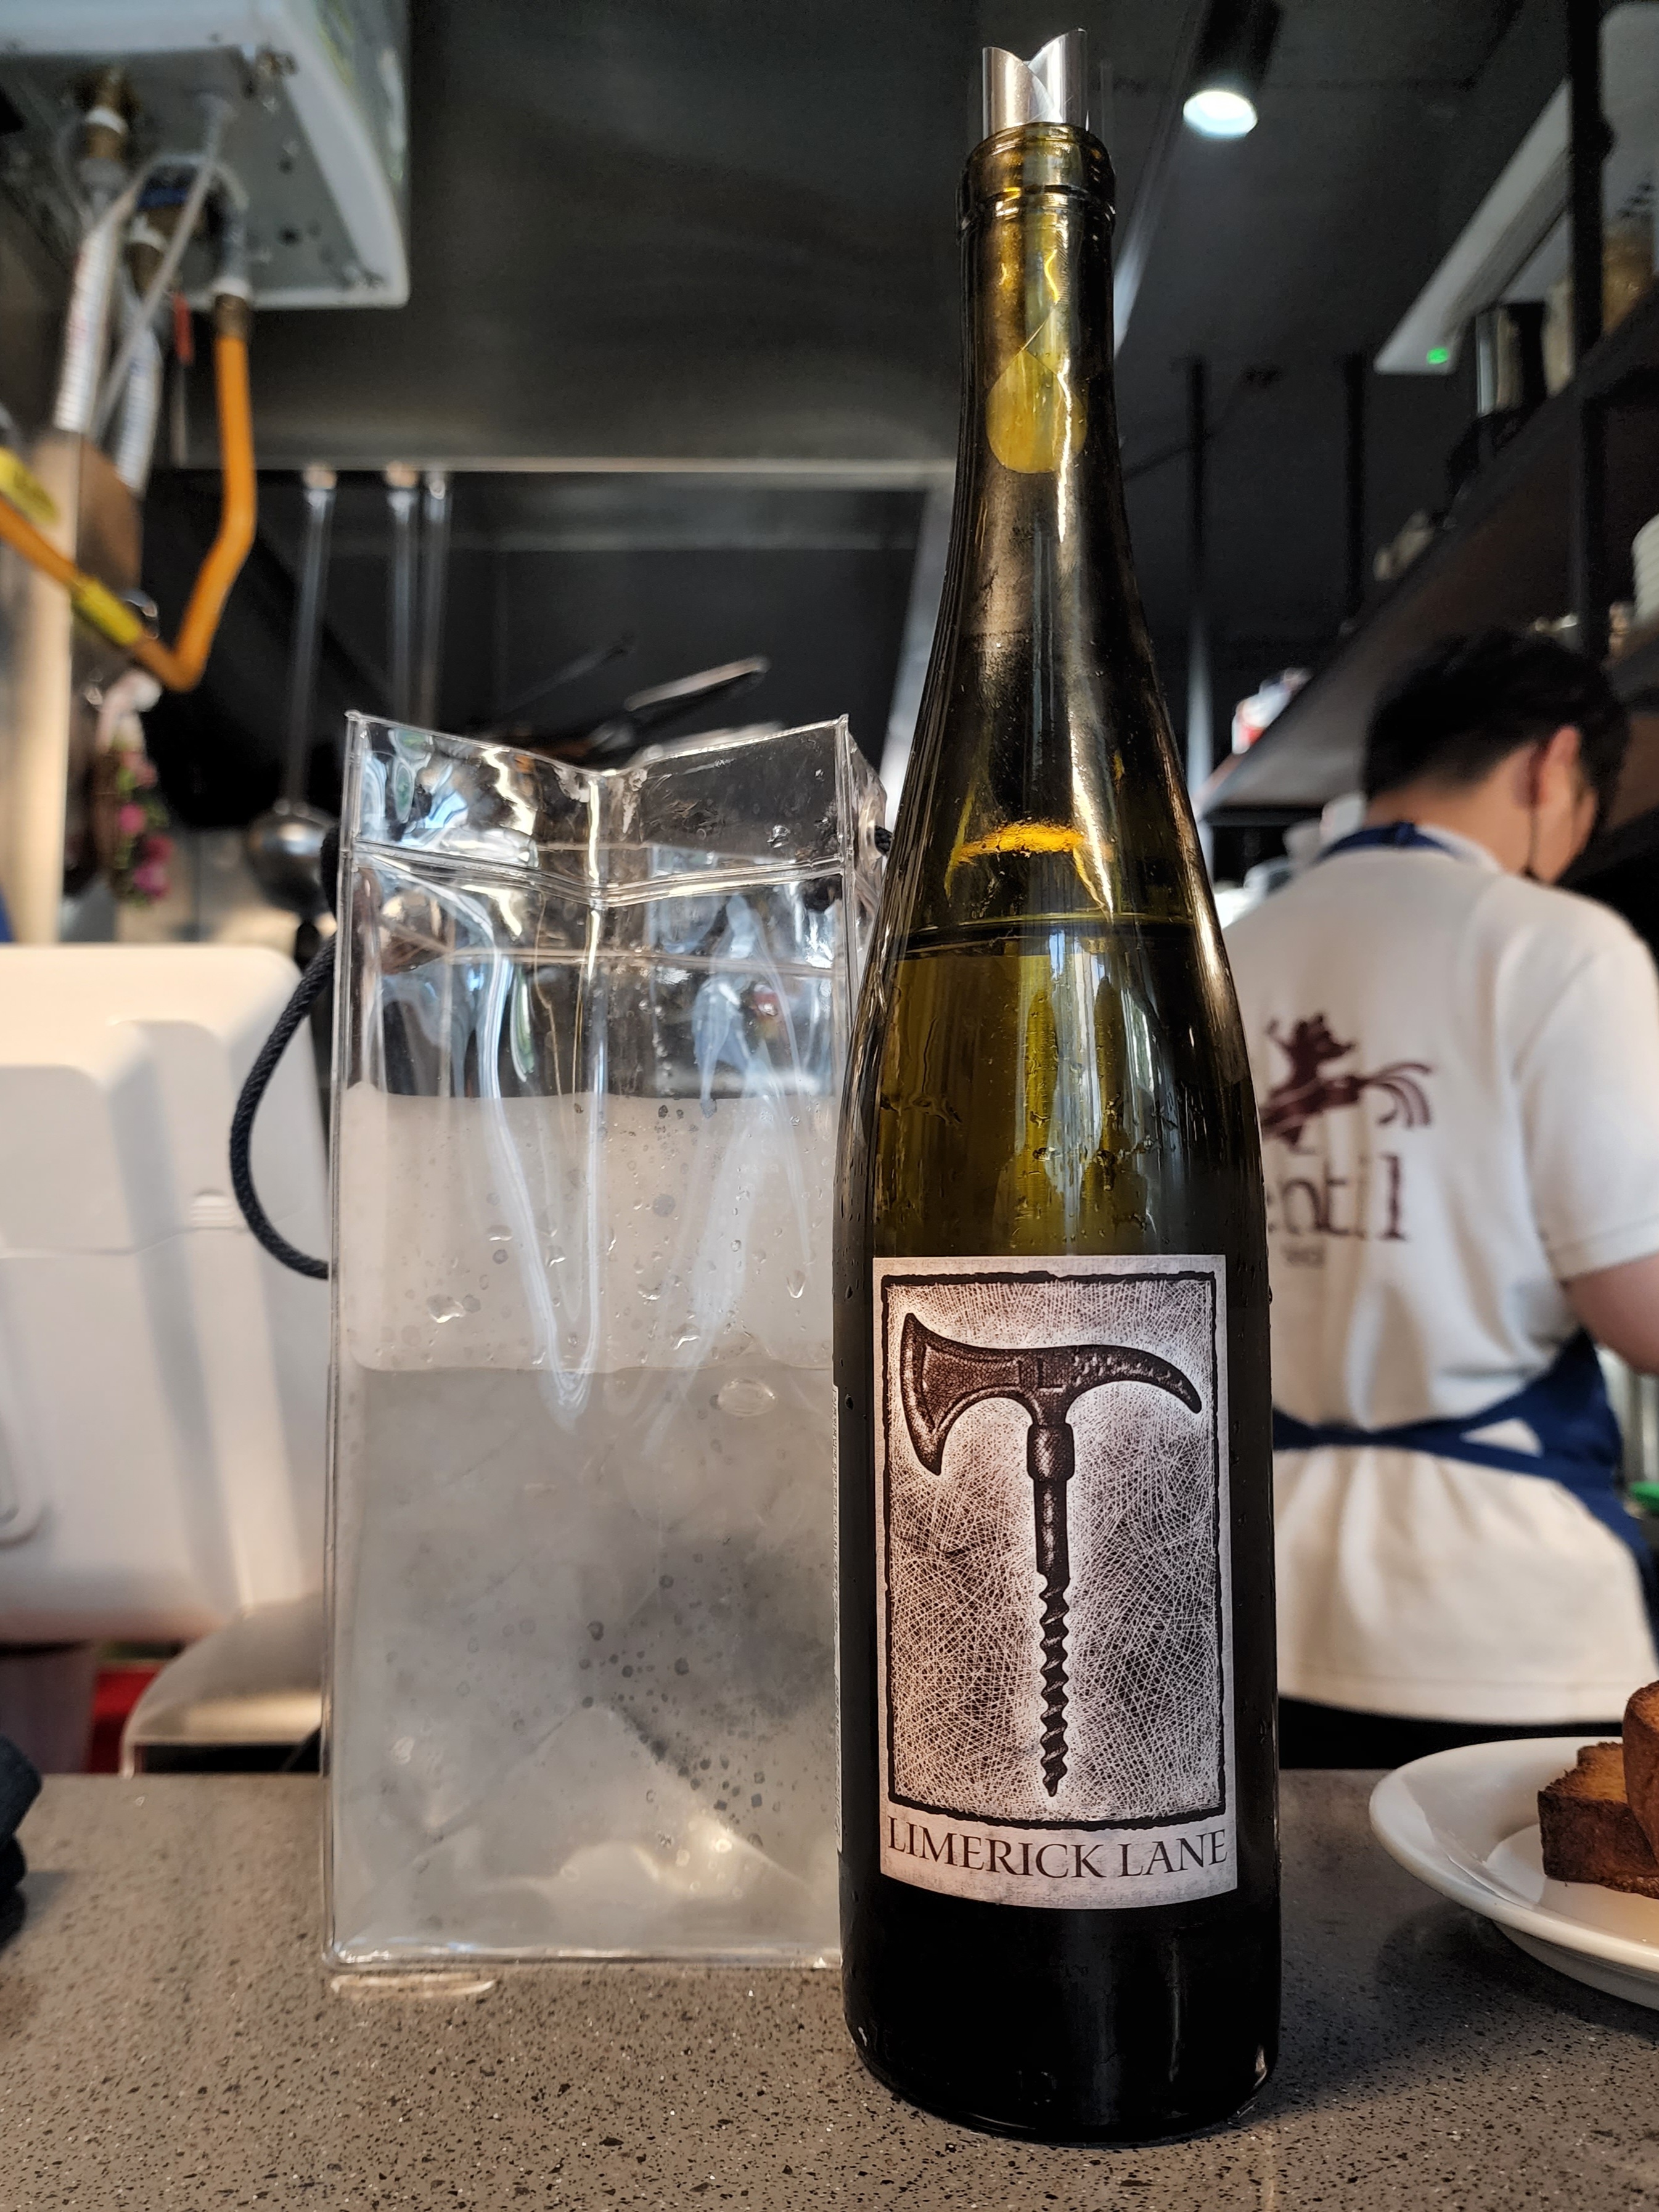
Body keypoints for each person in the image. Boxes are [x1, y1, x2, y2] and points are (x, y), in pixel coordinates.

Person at [1225, 628, 1659, 1768]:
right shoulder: (1562, 949)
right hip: (1499, 1614)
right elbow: (1641, 1310)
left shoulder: (1225, 955)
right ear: (1552, 765)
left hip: (1237, 1592)